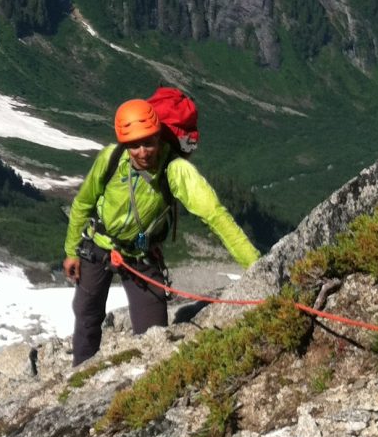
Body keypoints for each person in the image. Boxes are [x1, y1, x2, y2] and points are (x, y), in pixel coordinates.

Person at [63, 98, 260, 365]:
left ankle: (144, 382)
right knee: (87, 316)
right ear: (124, 144)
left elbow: (215, 215)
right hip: (98, 246)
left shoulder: (175, 170)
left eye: (149, 142)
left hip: (140, 256)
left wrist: (257, 267)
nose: (142, 151)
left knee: (154, 335)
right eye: (134, 145)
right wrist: (71, 251)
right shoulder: (111, 158)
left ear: (159, 137)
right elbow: (83, 203)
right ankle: (80, 375)